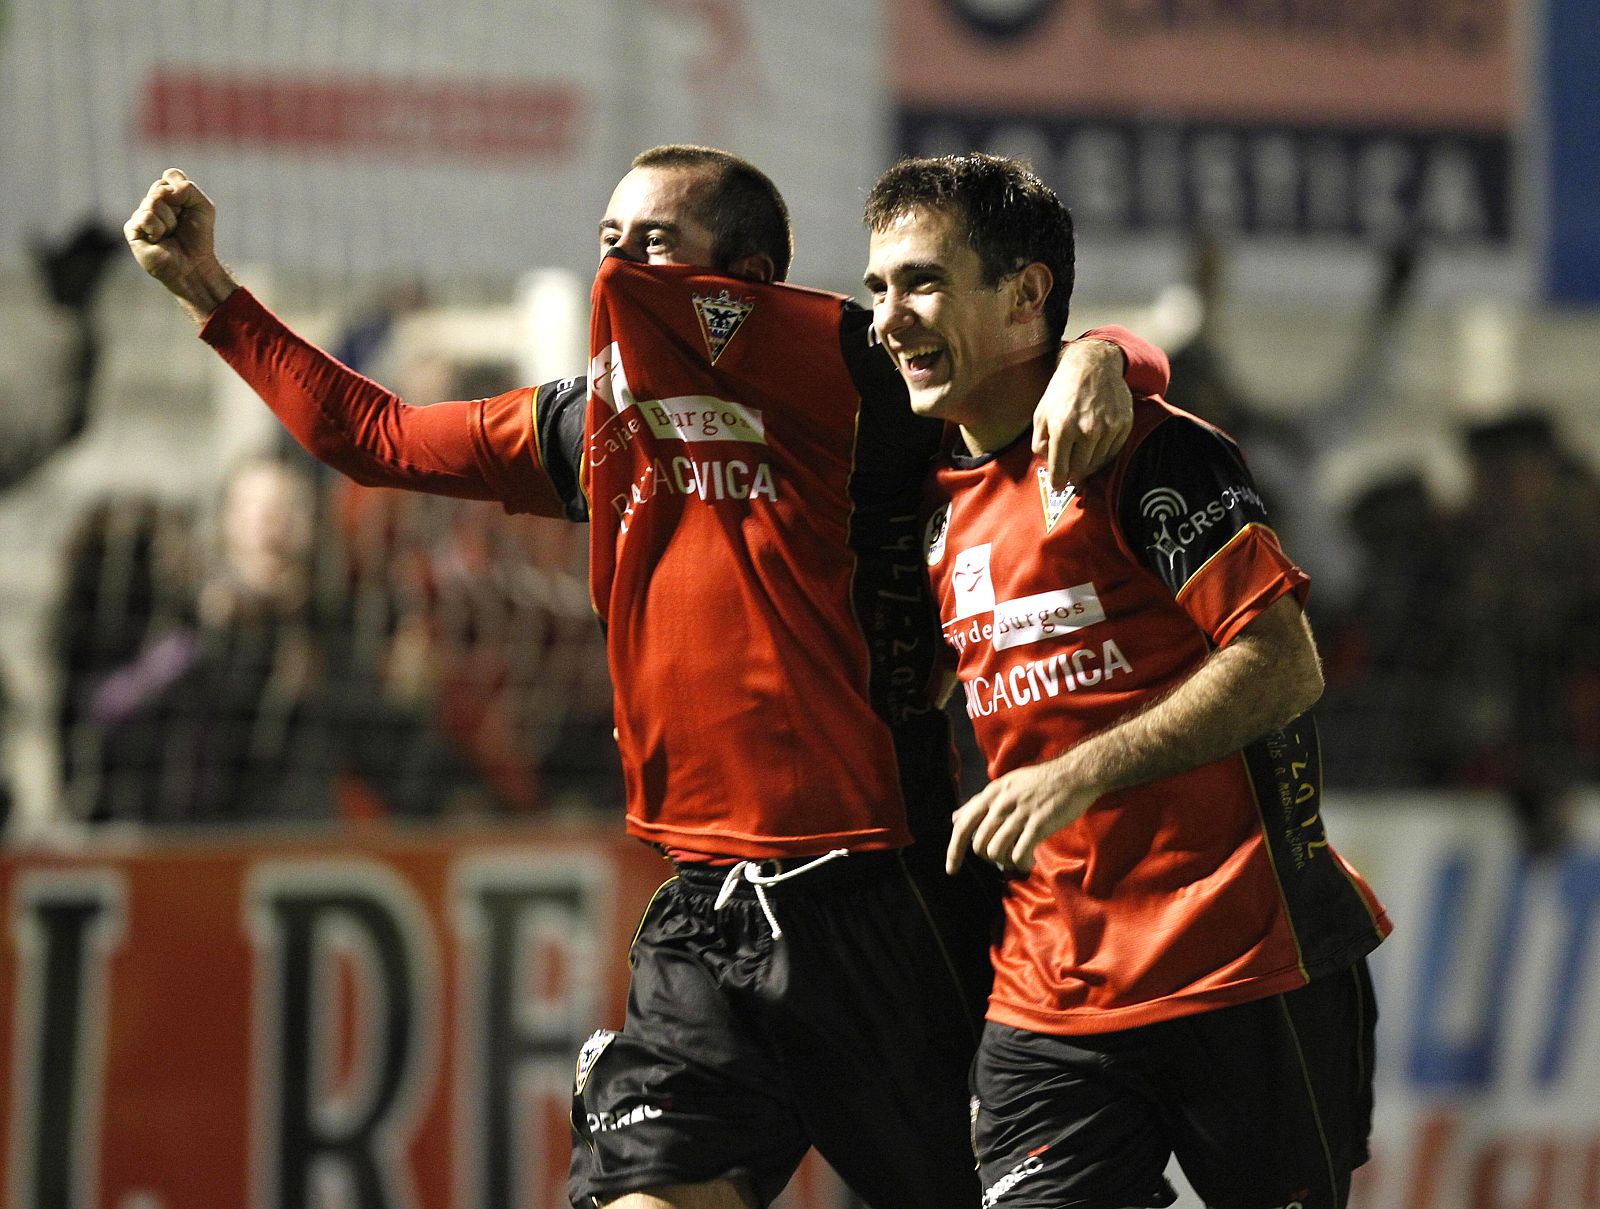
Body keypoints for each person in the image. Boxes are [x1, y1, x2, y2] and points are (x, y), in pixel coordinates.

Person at [125, 149, 1169, 1209]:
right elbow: (373, 436)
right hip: (704, 911)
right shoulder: (591, 424)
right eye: (608, 243)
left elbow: (1031, 368)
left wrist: (1110, 360)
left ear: (751, 274)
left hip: (878, 894)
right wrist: (212, 293)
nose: (619, 272)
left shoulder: (856, 372)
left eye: (654, 245)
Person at [862, 153, 1391, 1209]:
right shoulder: (919, 502)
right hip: (1047, 999)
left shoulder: (1156, 458)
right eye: (877, 287)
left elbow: (1284, 662)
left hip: (1245, 964)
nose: (889, 317)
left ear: (1023, 298)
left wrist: (1081, 772)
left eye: (921, 281)